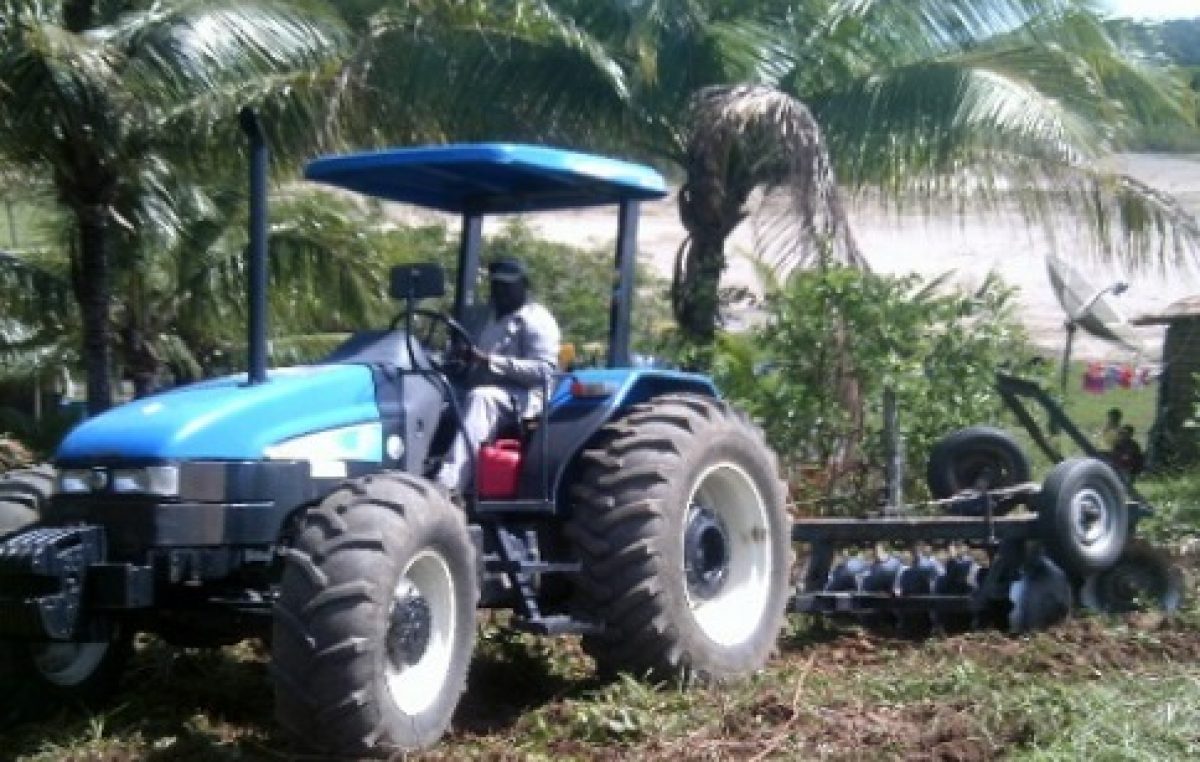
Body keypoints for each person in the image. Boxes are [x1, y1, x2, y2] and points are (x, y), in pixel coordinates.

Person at [436, 257, 561, 496]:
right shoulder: (484, 316)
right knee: (435, 390)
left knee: (482, 398)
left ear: (523, 285)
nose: (501, 291)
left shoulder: (536, 320)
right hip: (479, 384)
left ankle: (449, 485)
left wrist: (488, 360)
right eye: (496, 285)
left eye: (508, 285)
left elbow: (543, 372)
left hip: (524, 396)